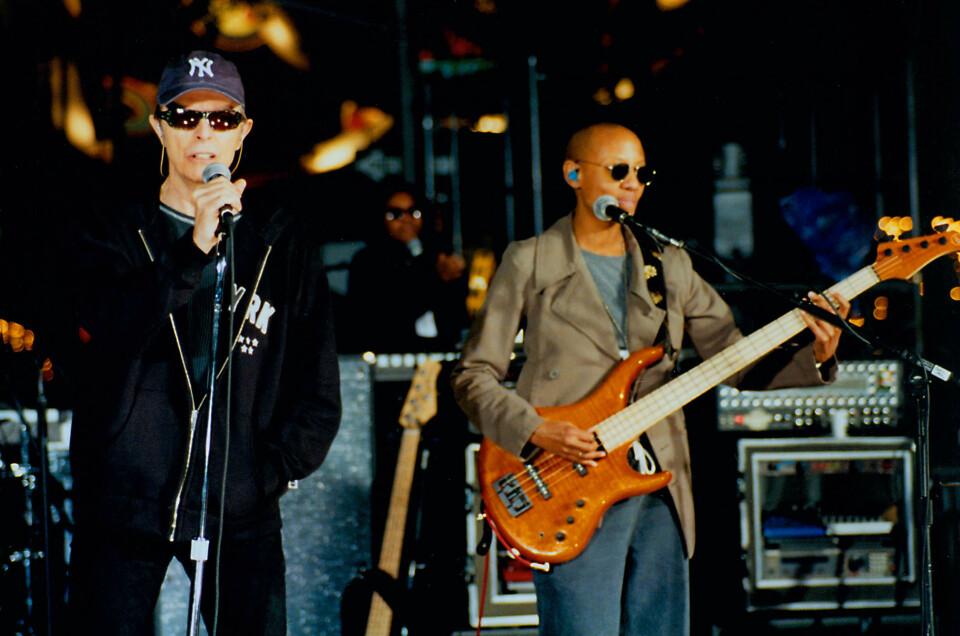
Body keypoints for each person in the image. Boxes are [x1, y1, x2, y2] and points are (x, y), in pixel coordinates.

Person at [449, 122, 849, 635]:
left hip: (659, 484)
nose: (633, 184)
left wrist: (814, 353)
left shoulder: (671, 266)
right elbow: (472, 374)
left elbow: (733, 357)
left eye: (641, 173)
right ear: (573, 174)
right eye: (618, 171)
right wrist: (534, 430)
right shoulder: (529, 260)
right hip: (569, 481)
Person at [58, 50, 342, 635]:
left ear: (243, 133)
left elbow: (316, 385)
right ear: (159, 128)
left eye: (221, 118)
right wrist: (190, 251)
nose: (203, 133)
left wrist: (263, 475)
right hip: (124, 504)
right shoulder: (111, 228)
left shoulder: (279, 242)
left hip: (239, 509)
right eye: (185, 118)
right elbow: (109, 324)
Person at [346, 183, 468, 352]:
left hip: (440, 348)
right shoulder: (367, 261)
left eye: (413, 212)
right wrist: (436, 279)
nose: (406, 220)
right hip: (395, 349)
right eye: (395, 214)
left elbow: (457, 311)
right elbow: (385, 314)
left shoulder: (437, 254)